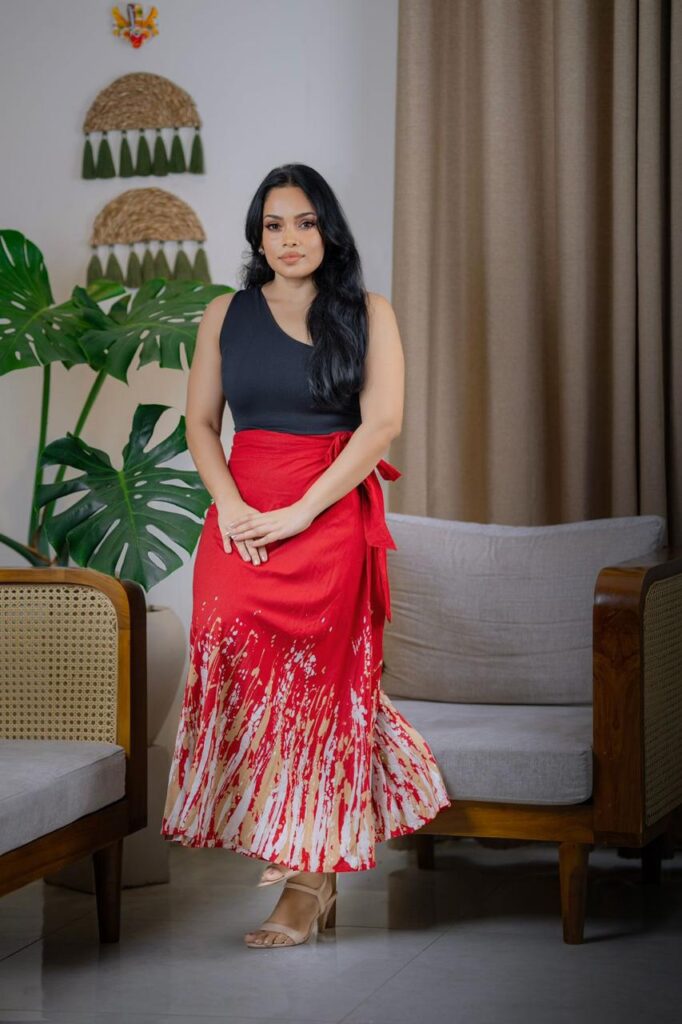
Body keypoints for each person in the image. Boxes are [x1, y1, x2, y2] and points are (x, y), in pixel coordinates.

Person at [160, 164, 451, 948]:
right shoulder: (225, 313)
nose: (289, 239)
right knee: (225, 648)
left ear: (329, 230)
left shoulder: (368, 312)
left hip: (325, 515)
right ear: (257, 237)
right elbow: (200, 424)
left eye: (305, 222)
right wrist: (230, 505)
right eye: (273, 225)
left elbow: (381, 425)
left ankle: (308, 879)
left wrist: (300, 512)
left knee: (320, 689)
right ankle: (290, 835)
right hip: (242, 512)